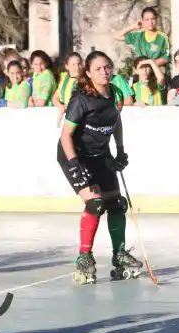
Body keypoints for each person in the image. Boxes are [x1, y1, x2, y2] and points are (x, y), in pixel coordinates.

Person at [56, 51, 144, 284]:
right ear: (88, 73)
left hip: (100, 154)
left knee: (116, 204)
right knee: (95, 203)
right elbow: (66, 136)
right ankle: (84, 257)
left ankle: (119, 255)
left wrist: (120, 149)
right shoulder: (81, 100)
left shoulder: (116, 94)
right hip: (74, 155)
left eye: (107, 67)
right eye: (98, 69)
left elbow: (116, 121)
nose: (104, 72)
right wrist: (74, 165)